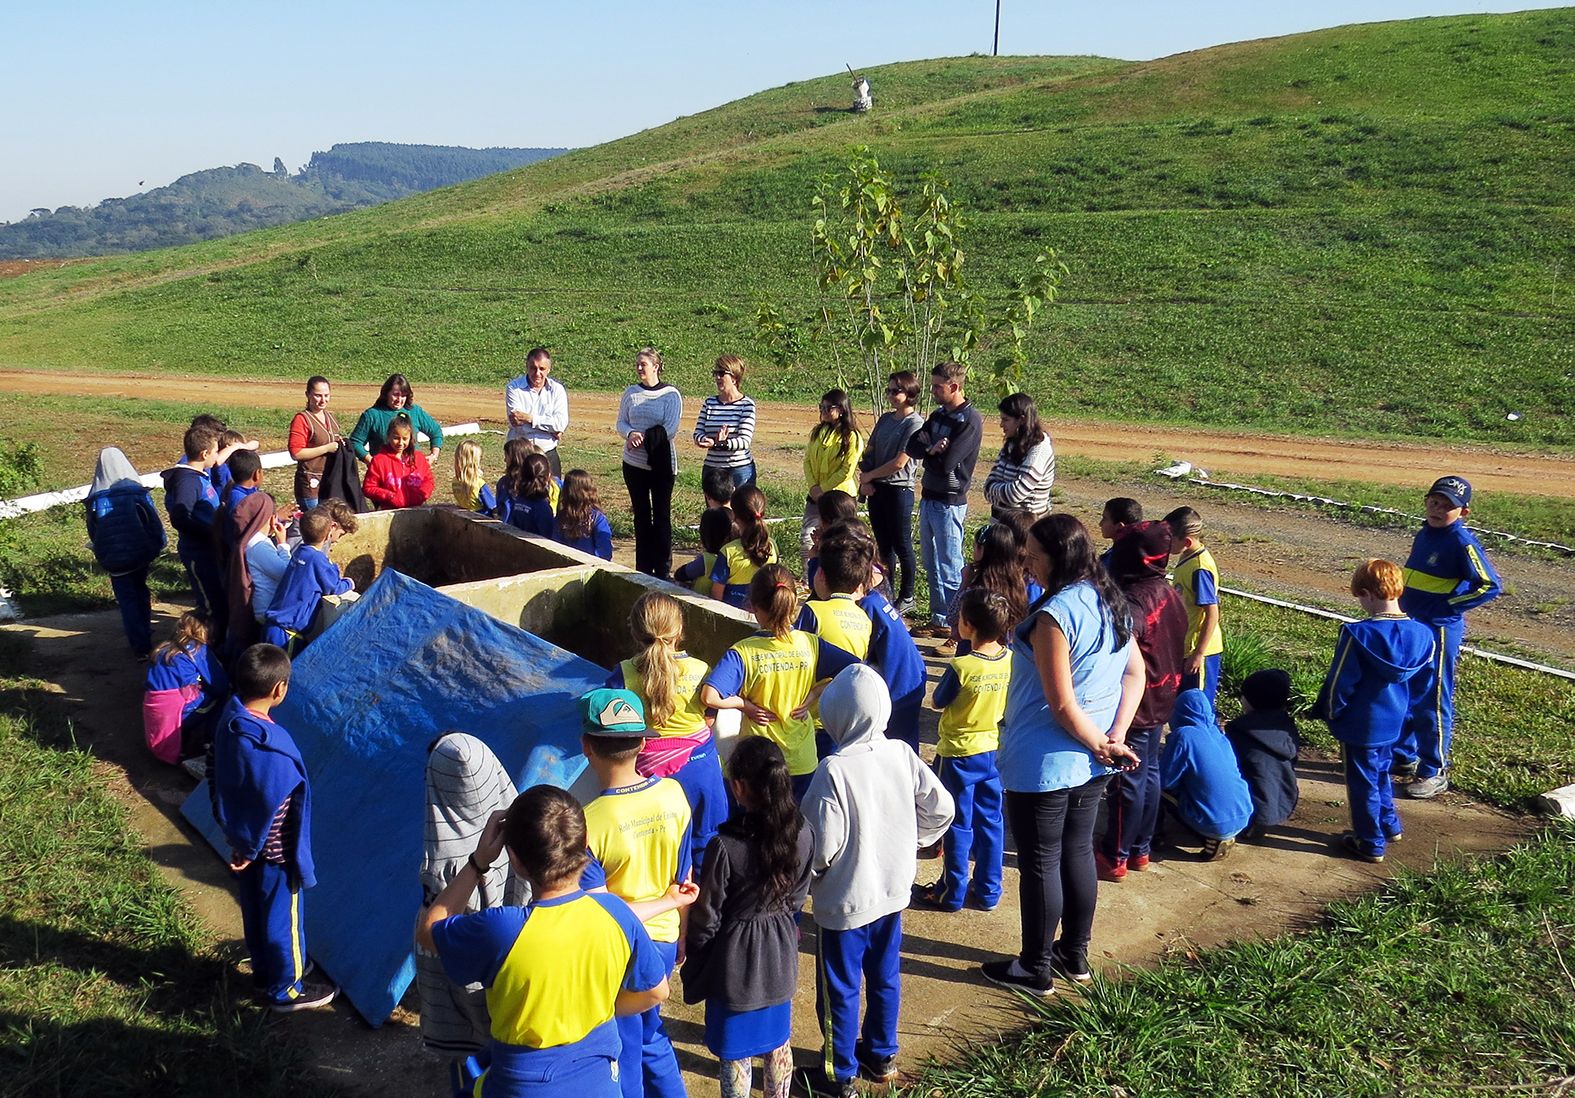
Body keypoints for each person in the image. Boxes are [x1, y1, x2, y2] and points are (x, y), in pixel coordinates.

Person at [418, 785, 674, 1098]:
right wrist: (600, 1009)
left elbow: (429, 930)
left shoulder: (502, 929)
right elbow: (657, 991)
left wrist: (478, 862)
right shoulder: (616, 913)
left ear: (515, 859)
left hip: (520, 1087)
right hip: (602, 1083)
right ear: (586, 843)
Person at [981, 514, 1143, 997]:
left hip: (1046, 760)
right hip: (1093, 761)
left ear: (1058, 558)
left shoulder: (1054, 616)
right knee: (1076, 851)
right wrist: (1113, 737)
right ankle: (1073, 954)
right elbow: (1135, 673)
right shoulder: (1110, 599)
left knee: (1039, 862)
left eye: (1033, 556)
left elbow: (1062, 703)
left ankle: (1034, 968)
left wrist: (1102, 743)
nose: (1026, 564)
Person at [804, 665, 954, 1095]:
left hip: (845, 902)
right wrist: (913, 842)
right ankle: (881, 1055)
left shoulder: (833, 770)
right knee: (886, 975)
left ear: (835, 716)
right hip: (892, 893)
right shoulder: (902, 753)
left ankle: (838, 1076)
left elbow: (819, 843)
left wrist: (811, 879)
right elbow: (942, 808)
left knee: (840, 989)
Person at [577, 688, 698, 1098]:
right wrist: (682, 933)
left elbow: (601, 912)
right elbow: (684, 878)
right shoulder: (674, 794)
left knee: (623, 1046)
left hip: (620, 951)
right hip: (664, 939)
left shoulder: (587, 824)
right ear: (644, 743)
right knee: (650, 1033)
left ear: (586, 747)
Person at [209, 643, 338, 1012]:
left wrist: (241, 842)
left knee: (255, 912)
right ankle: (287, 989)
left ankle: (265, 973)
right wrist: (257, 847)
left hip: (245, 846)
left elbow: (218, 776)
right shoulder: (272, 751)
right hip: (277, 855)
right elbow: (276, 807)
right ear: (279, 689)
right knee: (284, 921)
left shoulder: (231, 723)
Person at [682, 737, 812, 1098]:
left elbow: (708, 917)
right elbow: (798, 896)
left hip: (735, 966)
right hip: (781, 956)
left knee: (735, 1054)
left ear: (738, 787)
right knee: (778, 1044)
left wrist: (696, 954)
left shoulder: (725, 846)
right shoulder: (803, 831)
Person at [414, 733, 528, 1098]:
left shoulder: (445, 857)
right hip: (514, 980)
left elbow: (432, 932)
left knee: (470, 1067)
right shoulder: (522, 833)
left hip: (463, 980)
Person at [702, 565, 860, 800]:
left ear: (753, 607)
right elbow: (857, 670)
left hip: (759, 761)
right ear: (793, 601)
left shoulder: (743, 652)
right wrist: (815, 692)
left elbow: (709, 696)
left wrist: (745, 706)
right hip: (802, 760)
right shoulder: (811, 644)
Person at [1316, 560, 1435, 862]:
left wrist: (1331, 712)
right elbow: (1424, 686)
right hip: (1396, 720)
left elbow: (1341, 682)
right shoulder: (1424, 635)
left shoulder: (1358, 634)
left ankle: (1369, 842)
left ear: (1367, 594)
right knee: (1381, 773)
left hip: (1361, 723)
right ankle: (1389, 824)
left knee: (1362, 783)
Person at [1396, 475, 1502, 799]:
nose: (1438, 509)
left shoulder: (1461, 542)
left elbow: (1489, 585)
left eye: (1448, 506)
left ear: (1463, 512)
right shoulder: (1424, 533)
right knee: (1406, 688)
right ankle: (1404, 755)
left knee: (1432, 697)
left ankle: (1434, 770)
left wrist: (1447, 606)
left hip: (1438, 628)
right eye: (1434, 501)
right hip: (1412, 623)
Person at [607, 591, 728, 877]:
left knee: (655, 852)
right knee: (707, 846)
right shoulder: (701, 670)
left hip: (647, 777)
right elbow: (710, 718)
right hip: (700, 772)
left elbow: (611, 724)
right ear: (680, 630)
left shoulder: (623, 674)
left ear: (635, 632)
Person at [1097, 520, 1189, 882]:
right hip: (1163, 696)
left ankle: (1115, 854)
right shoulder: (1169, 593)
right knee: (1149, 772)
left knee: (1127, 780)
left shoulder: (1134, 600)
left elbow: (1124, 646)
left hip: (1136, 702)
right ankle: (1140, 849)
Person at [914, 589, 1012, 913]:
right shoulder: (1010, 659)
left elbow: (937, 701)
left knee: (957, 822)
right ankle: (988, 890)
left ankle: (951, 892)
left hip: (958, 754)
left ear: (967, 624)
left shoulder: (962, 665)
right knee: (992, 821)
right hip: (993, 750)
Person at [906, 362, 984, 637]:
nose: (933, 391)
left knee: (950, 567)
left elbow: (948, 463)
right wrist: (931, 449)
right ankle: (940, 618)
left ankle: (957, 628)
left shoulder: (969, 420)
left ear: (954, 386)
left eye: (938, 387)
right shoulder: (939, 415)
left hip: (950, 502)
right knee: (931, 564)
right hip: (929, 497)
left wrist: (930, 455)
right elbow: (912, 445)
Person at [85, 446, 165, 659]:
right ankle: (145, 629)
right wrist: (157, 544)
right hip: (140, 555)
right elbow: (152, 522)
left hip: (114, 561)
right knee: (141, 592)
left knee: (127, 600)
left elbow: (93, 531)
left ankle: (140, 647)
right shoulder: (137, 494)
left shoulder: (95, 501)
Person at [1159, 689, 1255, 860]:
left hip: (1213, 822)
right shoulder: (1220, 735)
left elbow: (1165, 780)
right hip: (1244, 813)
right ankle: (1222, 832)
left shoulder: (1184, 735)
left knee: (1154, 788)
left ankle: (1155, 836)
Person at [859, 371, 924, 616]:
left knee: (902, 544)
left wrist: (870, 476)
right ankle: (887, 590)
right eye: (889, 390)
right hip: (877, 488)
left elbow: (899, 462)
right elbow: (870, 450)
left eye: (896, 391)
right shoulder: (886, 419)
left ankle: (907, 595)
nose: (891, 395)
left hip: (899, 489)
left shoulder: (915, 423)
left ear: (910, 393)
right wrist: (865, 476)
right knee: (884, 545)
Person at [617, 347, 682, 579]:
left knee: (662, 516)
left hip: (662, 466)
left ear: (656, 367)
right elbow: (621, 423)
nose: (639, 368)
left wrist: (645, 438)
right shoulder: (631, 393)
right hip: (634, 465)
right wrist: (630, 433)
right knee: (641, 515)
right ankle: (643, 567)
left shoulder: (671, 394)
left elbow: (671, 427)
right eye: (637, 364)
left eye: (643, 364)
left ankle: (663, 569)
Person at [1224, 669, 1302, 841]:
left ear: (1252, 701)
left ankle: (1253, 823)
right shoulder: (1287, 728)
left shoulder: (1238, 730)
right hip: (1284, 800)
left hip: (1252, 806)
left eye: (1244, 696)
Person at [143, 610, 228, 766]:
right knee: (223, 698)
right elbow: (220, 686)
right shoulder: (197, 649)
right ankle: (210, 740)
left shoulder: (162, 648)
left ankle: (183, 736)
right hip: (178, 710)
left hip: (155, 706)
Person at [263, 508, 354, 652]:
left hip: (274, 625)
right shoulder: (317, 559)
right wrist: (349, 583)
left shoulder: (300, 552)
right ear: (329, 532)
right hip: (287, 633)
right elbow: (334, 587)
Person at [163, 425, 225, 630]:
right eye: (216, 451)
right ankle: (203, 642)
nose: (217, 455)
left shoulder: (199, 476)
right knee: (210, 606)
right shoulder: (188, 482)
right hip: (199, 553)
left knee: (217, 599)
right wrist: (211, 532)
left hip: (209, 549)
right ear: (204, 454)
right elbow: (180, 518)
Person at [1165, 506, 1224, 705]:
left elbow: (1212, 613)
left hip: (1200, 653)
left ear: (1187, 542)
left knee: (1198, 707)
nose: (1166, 542)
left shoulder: (1200, 568)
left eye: (1170, 538)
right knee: (1183, 705)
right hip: (1187, 648)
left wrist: (1198, 654)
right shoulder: (1187, 557)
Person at [225, 491, 293, 653]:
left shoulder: (248, 539)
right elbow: (285, 573)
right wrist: (283, 544)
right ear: (269, 518)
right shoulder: (258, 546)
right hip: (266, 613)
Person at [801, 388, 865, 558]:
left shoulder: (852, 437)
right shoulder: (818, 432)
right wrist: (814, 488)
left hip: (839, 498)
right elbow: (807, 461)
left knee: (841, 541)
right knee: (808, 538)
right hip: (815, 496)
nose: (823, 411)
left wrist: (823, 489)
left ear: (842, 409)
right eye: (821, 407)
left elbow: (846, 470)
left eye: (828, 408)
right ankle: (811, 572)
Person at [694, 355, 757, 506]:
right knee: (715, 514)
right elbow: (698, 432)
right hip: (712, 469)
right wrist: (703, 440)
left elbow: (744, 441)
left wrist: (720, 444)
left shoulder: (747, 405)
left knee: (741, 513)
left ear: (734, 378)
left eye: (722, 373)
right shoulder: (709, 403)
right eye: (715, 373)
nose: (717, 377)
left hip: (739, 470)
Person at [982, 392, 1055, 519]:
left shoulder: (1039, 449)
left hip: (1027, 526)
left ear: (1021, 420)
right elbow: (987, 487)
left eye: (1006, 420)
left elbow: (1015, 494)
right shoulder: (1011, 444)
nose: (1001, 425)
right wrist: (999, 491)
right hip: (1001, 521)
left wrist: (994, 491)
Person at [349, 373, 444, 467]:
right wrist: (372, 462)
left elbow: (436, 431)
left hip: (413, 471)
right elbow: (355, 442)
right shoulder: (372, 415)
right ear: (386, 393)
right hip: (384, 472)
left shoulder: (415, 411)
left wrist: (433, 455)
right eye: (395, 395)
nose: (399, 399)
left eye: (403, 395)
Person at [505, 347, 569, 479]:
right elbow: (516, 421)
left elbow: (560, 423)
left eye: (542, 369)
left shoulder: (557, 390)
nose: (537, 373)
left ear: (549, 369)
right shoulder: (513, 388)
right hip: (520, 455)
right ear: (527, 367)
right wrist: (550, 428)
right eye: (533, 368)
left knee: (553, 491)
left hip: (547, 454)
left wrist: (529, 418)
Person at [710, 485, 777, 609]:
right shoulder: (772, 546)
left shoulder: (728, 552)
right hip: (762, 612)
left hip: (731, 613)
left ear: (734, 515)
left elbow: (716, 594)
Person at [288, 376, 344, 510]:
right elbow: (296, 453)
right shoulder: (302, 419)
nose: (323, 400)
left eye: (326, 395)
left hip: (329, 481)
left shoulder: (331, 418)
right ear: (308, 395)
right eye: (318, 396)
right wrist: (326, 448)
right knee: (315, 519)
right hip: (310, 483)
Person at [362, 415, 434, 510]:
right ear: (389, 436)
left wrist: (422, 495)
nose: (400, 443)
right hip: (389, 511)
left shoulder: (419, 458)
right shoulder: (379, 461)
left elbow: (428, 480)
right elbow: (368, 488)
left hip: (417, 509)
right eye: (396, 438)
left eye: (405, 439)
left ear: (410, 438)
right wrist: (389, 496)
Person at [554, 469, 614, 561]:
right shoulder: (598, 519)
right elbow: (605, 552)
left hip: (565, 565)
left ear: (566, 492)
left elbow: (555, 546)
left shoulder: (561, 517)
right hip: (591, 566)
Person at [675, 506, 736, 597]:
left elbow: (681, 574)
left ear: (705, 535)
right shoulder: (736, 556)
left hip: (700, 601)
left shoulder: (706, 561)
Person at [503, 454, 556, 538]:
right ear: (548, 477)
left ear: (522, 474)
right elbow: (549, 536)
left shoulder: (517, 500)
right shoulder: (542, 508)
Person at [451, 439, 498, 516]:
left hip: (464, 516)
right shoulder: (479, 484)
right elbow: (491, 506)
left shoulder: (455, 481)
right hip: (482, 518)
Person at [1098, 497, 1143, 569]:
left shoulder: (1115, 559)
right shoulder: (1140, 551)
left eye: (1104, 519)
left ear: (1119, 526)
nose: (1100, 524)